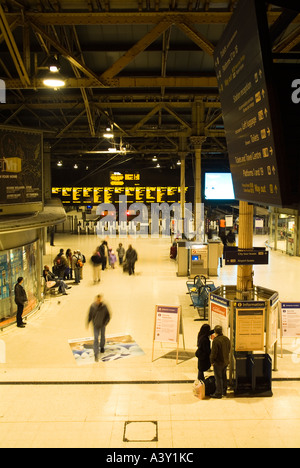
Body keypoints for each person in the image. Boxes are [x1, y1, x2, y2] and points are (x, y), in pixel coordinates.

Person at [87, 294, 111, 362]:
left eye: (100, 299)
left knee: (103, 337)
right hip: (95, 325)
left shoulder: (105, 306)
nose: (98, 300)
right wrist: (88, 322)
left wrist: (105, 323)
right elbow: (90, 315)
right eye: (97, 299)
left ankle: (102, 347)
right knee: (96, 338)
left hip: (102, 325)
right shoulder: (92, 306)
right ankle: (96, 354)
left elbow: (108, 315)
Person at [210, 325, 231, 399]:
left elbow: (214, 353)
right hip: (225, 361)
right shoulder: (226, 339)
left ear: (215, 332)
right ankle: (224, 391)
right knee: (224, 376)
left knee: (218, 378)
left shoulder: (216, 341)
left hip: (218, 362)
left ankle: (218, 393)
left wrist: (212, 361)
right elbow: (229, 349)